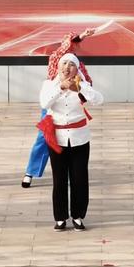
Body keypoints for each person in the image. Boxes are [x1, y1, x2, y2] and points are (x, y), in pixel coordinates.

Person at [22, 28, 96, 188]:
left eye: (77, 43)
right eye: (73, 42)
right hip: (53, 105)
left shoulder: (79, 65)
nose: (76, 45)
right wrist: (81, 36)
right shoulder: (56, 58)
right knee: (43, 138)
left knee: (69, 146)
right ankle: (30, 172)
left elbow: (88, 85)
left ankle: (70, 174)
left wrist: (82, 89)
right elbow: (65, 49)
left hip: (72, 110)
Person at [38, 52, 104, 231]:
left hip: (79, 137)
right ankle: (60, 217)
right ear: (58, 66)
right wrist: (61, 88)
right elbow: (44, 103)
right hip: (57, 138)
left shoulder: (83, 84)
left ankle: (78, 215)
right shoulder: (49, 85)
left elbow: (99, 100)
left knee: (79, 178)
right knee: (59, 179)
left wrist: (80, 88)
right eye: (64, 63)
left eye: (71, 64)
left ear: (77, 69)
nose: (67, 67)